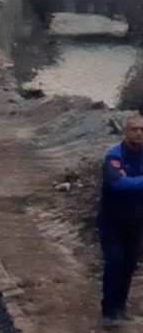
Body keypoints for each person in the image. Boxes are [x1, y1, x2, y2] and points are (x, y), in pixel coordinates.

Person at [98, 114, 143, 325]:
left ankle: (121, 305)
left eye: (142, 130)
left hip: (135, 219)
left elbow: (128, 183)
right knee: (114, 261)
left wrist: (132, 181)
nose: (139, 134)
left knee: (129, 263)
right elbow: (116, 184)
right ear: (124, 132)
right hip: (111, 220)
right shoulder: (113, 155)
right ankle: (108, 312)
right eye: (134, 129)